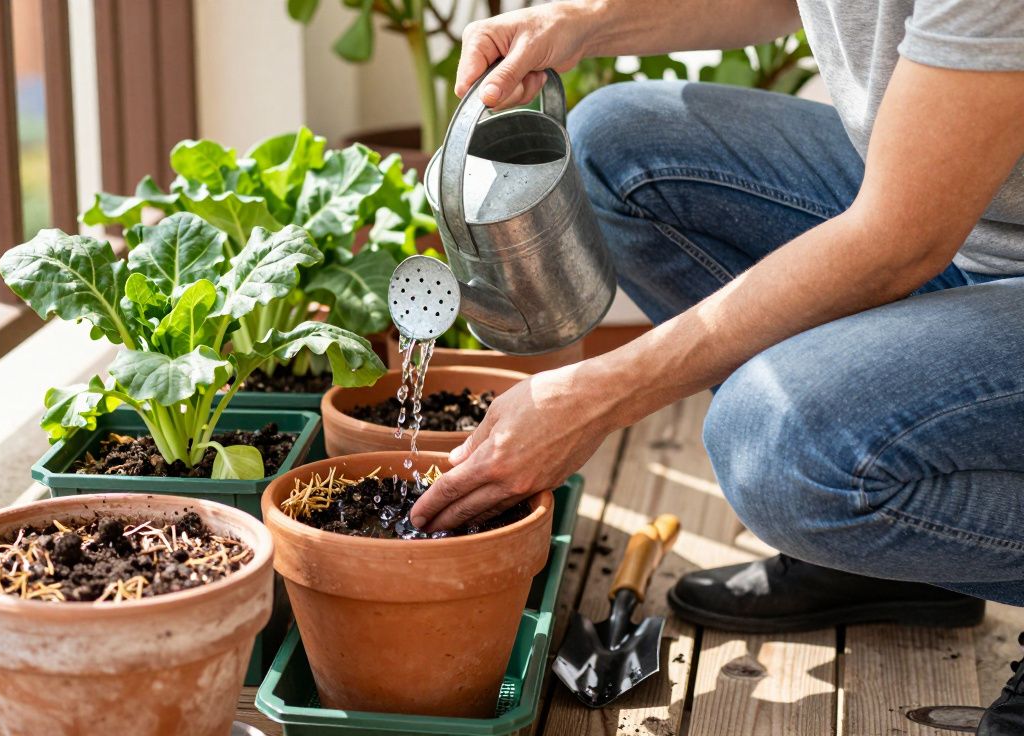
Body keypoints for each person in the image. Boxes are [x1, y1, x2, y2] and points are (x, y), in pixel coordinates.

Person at [406, 2, 1024, 731]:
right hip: (969, 214)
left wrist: (597, 396)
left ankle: (891, 500)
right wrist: (582, 22)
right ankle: (905, 559)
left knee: (779, 448)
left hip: (933, 228)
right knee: (617, 149)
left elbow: (897, 242)